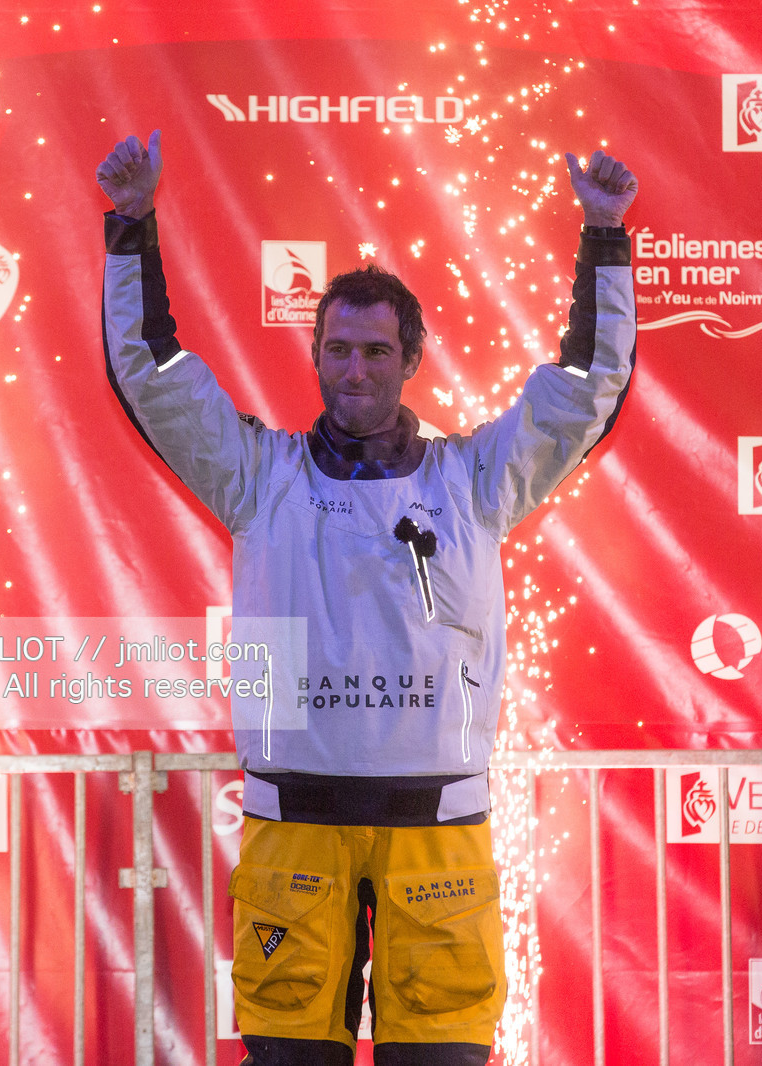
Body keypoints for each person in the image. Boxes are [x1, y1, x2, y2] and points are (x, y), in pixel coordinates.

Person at [97, 129, 637, 1066]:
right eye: (338, 350)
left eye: (377, 351)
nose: (356, 370)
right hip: (291, 829)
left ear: (411, 359)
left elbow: (584, 390)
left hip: (437, 835)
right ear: (315, 356)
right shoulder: (256, 476)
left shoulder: (476, 480)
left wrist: (605, 242)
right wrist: (131, 227)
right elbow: (151, 374)